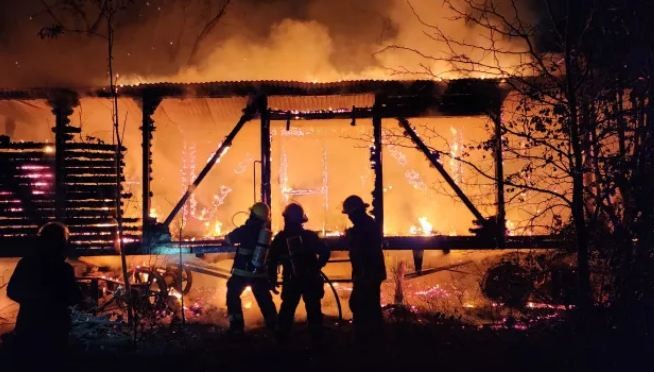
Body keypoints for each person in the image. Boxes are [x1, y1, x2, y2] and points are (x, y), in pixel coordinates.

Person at [7, 222, 81, 371]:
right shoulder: (63, 269)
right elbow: (75, 297)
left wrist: (33, 300)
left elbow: (13, 291)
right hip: (54, 331)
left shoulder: (26, 263)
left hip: (29, 327)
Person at [268, 203, 330, 343]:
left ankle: (281, 343)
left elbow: (271, 261)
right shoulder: (309, 236)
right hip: (311, 280)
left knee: (287, 311)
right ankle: (317, 341)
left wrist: (272, 280)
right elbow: (325, 251)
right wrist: (317, 267)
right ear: (302, 220)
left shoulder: (280, 239)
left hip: (292, 281)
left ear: (286, 219)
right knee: (314, 310)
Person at [225, 202, 277, 334]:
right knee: (265, 301)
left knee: (232, 295)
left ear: (252, 214)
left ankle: (236, 328)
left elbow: (229, 239)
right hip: (259, 274)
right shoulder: (265, 233)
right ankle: (275, 327)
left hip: (242, 273)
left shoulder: (245, 230)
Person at [341, 195, 386, 343]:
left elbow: (363, 251)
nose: (349, 217)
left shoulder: (364, 227)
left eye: (349, 214)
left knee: (364, 307)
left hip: (368, 274)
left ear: (355, 212)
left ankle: (366, 342)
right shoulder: (368, 225)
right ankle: (373, 340)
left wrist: (351, 236)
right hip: (369, 274)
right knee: (368, 307)